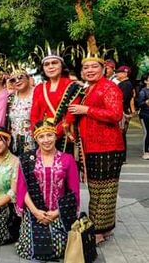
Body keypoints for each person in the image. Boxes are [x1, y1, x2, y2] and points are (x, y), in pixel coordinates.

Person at [69, 52, 125, 244]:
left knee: (104, 190)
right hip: (91, 146)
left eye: (94, 66)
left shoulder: (109, 87)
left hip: (107, 146)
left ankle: (99, 231)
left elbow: (115, 115)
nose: (89, 70)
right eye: (86, 67)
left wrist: (87, 110)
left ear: (103, 69)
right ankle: (105, 228)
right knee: (97, 189)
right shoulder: (87, 89)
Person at [15, 121, 80, 261]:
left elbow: (73, 192)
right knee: (30, 248)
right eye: (41, 136)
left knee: (59, 246)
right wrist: (36, 212)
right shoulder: (27, 159)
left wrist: (57, 213)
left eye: (49, 135)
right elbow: (22, 188)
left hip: (59, 213)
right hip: (35, 212)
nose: (46, 140)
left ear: (56, 136)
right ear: (36, 139)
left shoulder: (67, 159)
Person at [30, 46, 82, 154]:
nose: (50, 67)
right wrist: (39, 133)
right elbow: (34, 114)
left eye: (54, 63)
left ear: (62, 66)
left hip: (64, 136)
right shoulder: (39, 88)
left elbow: (70, 115)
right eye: (47, 64)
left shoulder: (72, 86)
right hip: (42, 136)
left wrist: (54, 134)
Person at [6, 68, 34, 155]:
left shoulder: (37, 93)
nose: (17, 81)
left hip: (34, 140)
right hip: (15, 142)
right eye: (13, 80)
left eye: (20, 77)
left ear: (28, 78)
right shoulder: (11, 98)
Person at [116, 65, 134, 164]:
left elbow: (122, 99)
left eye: (119, 72)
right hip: (121, 111)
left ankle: (121, 157)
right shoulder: (123, 83)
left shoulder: (126, 84)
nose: (117, 74)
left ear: (125, 74)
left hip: (122, 112)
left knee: (121, 134)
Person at [135, 73, 149, 160]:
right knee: (147, 132)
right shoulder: (143, 91)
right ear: (145, 81)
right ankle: (145, 152)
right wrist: (147, 102)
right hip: (145, 115)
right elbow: (139, 104)